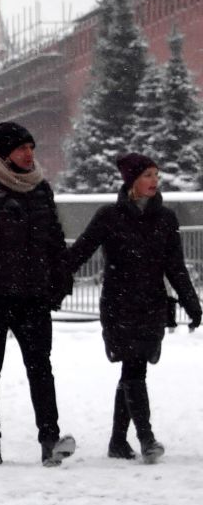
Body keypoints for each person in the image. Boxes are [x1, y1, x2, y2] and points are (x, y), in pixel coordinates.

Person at [67, 153, 201, 462]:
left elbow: (175, 266)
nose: (154, 181)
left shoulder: (166, 218)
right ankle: (146, 438)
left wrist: (192, 303)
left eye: (156, 175)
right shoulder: (109, 216)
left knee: (134, 369)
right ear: (131, 181)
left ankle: (117, 441)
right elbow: (80, 253)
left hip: (152, 304)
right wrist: (51, 280)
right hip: (119, 304)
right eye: (147, 175)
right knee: (133, 367)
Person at [0, 121, 75, 466]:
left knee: (40, 366)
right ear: (4, 153)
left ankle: (49, 438)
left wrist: (60, 276)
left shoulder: (40, 188)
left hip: (33, 293)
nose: (29, 154)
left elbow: (54, 235)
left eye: (31, 148)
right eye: (22, 148)